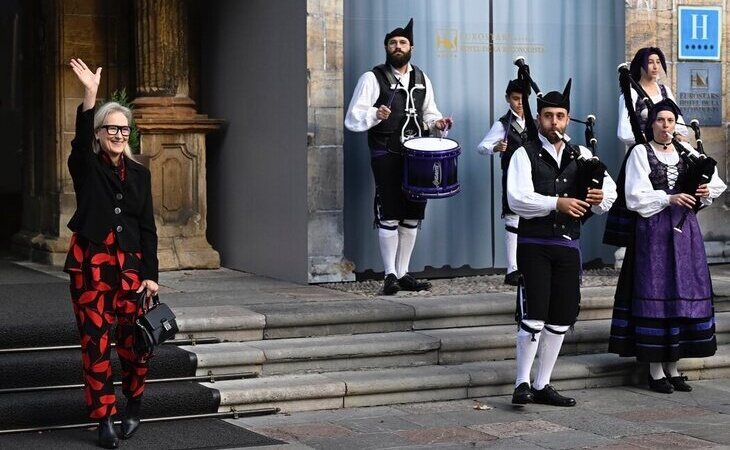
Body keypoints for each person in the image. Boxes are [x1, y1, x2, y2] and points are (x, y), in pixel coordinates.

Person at [65, 58, 159, 448]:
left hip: (131, 270)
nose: (120, 134)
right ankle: (103, 417)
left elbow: (148, 228)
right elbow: (80, 137)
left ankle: (133, 407)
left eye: (124, 129)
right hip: (90, 266)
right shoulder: (86, 166)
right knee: (96, 343)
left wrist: (152, 274)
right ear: (99, 133)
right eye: (112, 128)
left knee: (134, 344)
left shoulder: (140, 173)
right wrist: (90, 95)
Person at [506, 79, 617, 407]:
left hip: (568, 245)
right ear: (538, 118)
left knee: (561, 317)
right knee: (534, 314)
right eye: (548, 116)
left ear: (569, 119)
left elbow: (609, 192)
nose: (554, 122)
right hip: (534, 243)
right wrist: (557, 203)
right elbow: (517, 198)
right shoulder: (524, 153)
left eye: (560, 116)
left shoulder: (581, 154)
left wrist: (599, 197)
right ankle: (521, 382)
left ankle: (542, 384)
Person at [608, 98, 726, 393]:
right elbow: (634, 196)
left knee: (682, 291)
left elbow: (717, 183)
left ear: (676, 124)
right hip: (653, 233)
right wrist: (668, 198)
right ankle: (655, 370)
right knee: (656, 290)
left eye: (670, 121)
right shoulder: (640, 152)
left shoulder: (686, 152)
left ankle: (673, 366)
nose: (665, 126)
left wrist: (703, 190)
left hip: (685, 234)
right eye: (660, 120)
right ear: (652, 124)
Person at [344, 18, 453, 295]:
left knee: (412, 216)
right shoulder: (372, 77)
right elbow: (352, 118)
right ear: (386, 47)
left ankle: (403, 273)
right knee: (390, 214)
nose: (397, 46)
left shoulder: (422, 78)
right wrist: (374, 113)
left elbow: (430, 113)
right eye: (392, 42)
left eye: (402, 42)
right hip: (386, 153)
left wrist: (438, 124)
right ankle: (389, 274)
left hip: (417, 156)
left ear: (412, 48)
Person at [477, 79, 527, 286]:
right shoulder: (502, 124)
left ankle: (529, 265)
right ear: (508, 99)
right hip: (512, 176)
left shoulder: (535, 121)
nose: (519, 103)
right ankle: (512, 269)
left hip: (534, 177)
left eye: (523, 99)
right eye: (515, 99)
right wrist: (495, 148)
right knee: (513, 220)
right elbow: (481, 147)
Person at [617, 47, 688, 146]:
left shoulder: (665, 91)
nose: (655, 67)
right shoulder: (631, 93)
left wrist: (678, 135)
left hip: (668, 147)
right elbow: (624, 133)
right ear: (640, 65)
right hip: (644, 149)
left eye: (658, 62)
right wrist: (652, 137)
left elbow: (678, 122)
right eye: (650, 62)